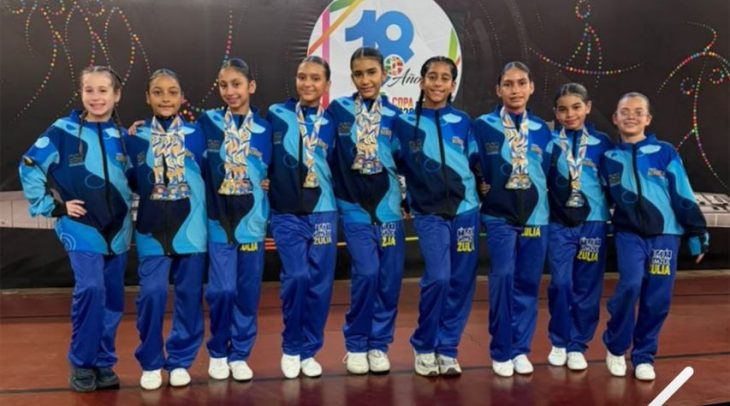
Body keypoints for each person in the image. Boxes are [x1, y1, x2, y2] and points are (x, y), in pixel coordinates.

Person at [19, 65, 133, 392]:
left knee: (112, 298)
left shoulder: (125, 139)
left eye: (103, 90)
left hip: (119, 233)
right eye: (89, 90)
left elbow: (140, 177)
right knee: (91, 289)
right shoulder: (62, 131)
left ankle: (103, 361)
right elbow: (30, 166)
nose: (96, 97)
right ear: (81, 93)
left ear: (116, 95)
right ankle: (82, 362)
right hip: (81, 228)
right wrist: (53, 206)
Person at [600, 92, 709, 381]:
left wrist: (697, 232)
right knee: (630, 285)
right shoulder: (608, 158)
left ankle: (644, 356)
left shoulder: (665, 152)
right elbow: (600, 197)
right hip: (628, 235)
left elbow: (682, 193)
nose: (631, 116)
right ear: (615, 118)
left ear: (648, 119)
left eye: (638, 112)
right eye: (625, 111)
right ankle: (616, 346)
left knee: (657, 297)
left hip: (666, 236)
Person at [392, 56, 480, 376]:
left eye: (445, 78)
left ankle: (448, 348)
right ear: (422, 81)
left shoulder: (464, 121)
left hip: (466, 211)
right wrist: (406, 198)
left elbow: (476, 164)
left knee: (460, 281)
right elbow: (394, 163)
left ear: (452, 85)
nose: (438, 83)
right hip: (428, 213)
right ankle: (424, 344)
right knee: (439, 278)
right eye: (432, 76)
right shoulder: (404, 123)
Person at [125, 69, 207, 389]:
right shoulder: (135, 136)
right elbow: (129, 180)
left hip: (191, 230)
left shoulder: (199, 134)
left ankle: (181, 360)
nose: (165, 99)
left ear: (182, 97)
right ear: (147, 97)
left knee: (189, 297)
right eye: (157, 92)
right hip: (151, 230)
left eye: (172, 92)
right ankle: (150, 361)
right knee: (152, 294)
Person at [327, 47, 405, 375]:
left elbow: (405, 162)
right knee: (367, 273)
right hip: (354, 207)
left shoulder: (397, 116)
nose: (365, 80)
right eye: (358, 74)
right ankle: (357, 343)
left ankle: (379, 344)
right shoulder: (338, 110)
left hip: (388, 210)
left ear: (384, 74)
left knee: (389, 279)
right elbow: (320, 150)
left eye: (371, 72)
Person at [472, 61, 552, 377]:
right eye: (508, 84)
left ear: (531, 87)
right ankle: (501, 349)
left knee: (528, 284)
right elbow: (471, 163)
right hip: (498, 216)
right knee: (503, 278)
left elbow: (551, 174)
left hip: (536, 217)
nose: (515, 90)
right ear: (498, 90)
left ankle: (520, 349)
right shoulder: (483, 125)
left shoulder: (543, 130)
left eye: (521, 83)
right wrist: (481, 184)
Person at [197, 58, 272, 382]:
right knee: (222, 291)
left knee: (246, 292)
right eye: (223, 85)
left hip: (252, 223)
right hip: (218, 222)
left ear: (251, 86)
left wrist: (269, 181)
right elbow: (174, 135)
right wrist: (140, 128)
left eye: (236, 84)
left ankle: (240, 353)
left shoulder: (267, 129)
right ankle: (218, 351)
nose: (230, 91)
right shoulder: (208, 122)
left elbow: (279, 167)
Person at [267, 55, 338, 379]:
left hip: (323, 211)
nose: (307, 83)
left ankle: (309, 350)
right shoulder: (276, 114)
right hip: (286, 212)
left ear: (327, 84)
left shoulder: (333, 121)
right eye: (302, 77)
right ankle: (291, 345)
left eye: (315, 78)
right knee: (296, 277)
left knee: (319, 283)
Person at [544, 83, 613, 371]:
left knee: (586, 287)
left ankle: (577, 345)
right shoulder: (548, 141)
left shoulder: (603, 143)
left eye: (576, 107)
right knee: (560, 283)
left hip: (593, 224)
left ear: (588, 107)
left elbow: (613, 182)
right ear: (555, 112)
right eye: (563, 109)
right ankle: (559, 341)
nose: (570, 114)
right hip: (559, 224)